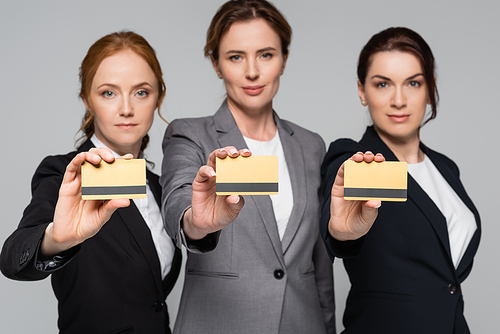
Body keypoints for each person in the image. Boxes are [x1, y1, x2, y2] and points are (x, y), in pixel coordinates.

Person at [160, 1, 335, 333]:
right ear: (216, 64)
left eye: (266, 55)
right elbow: (177, 200)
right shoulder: (189, 134)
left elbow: (320, 264)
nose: (252, 71)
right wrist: (196, 222)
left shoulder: (312, 146)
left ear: (284, 59)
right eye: (235, 56)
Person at [0, 31, 181, 334]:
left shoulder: (161, 186)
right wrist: (55, 240)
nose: (126, 108)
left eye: (141, 92)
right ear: (87, 99)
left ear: (158, 97)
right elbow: (13, 258)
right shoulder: (64, 173)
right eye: (109, 93)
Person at [320, 27, 481, 333]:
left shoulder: (446, 169)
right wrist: (340, 232)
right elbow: (338, 217)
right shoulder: (353, 159)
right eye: (383, 84)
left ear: (430, 89)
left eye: (413, 83)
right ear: (362, 91)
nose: (398, 100)